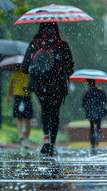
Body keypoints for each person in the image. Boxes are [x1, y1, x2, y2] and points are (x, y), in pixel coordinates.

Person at [22, 22, 74, 156]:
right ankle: (52, 143)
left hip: (40, 85)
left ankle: (46, 137)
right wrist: (59, 69)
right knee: (54, 112)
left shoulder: (35, 44)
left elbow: (24, 67)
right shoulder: (62, 45)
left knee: (45, 110)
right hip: (57, 85)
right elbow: (70, 68)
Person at [7, 64, 32, 148]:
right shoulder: (28, 73)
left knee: (19, 117)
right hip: (26, 96)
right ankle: (26, 137)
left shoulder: (15, 74)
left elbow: (11, 86)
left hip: (18, 96)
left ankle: (21, 134)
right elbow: (32, 85)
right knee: (27, 117)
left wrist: (9, 95)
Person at [82, 79, 107, 149]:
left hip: (91, 112)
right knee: (98, 125)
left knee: (92, 126)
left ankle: (92, 142)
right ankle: (97, 136)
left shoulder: (88, 93)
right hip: (99, 112)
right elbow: (106, 102)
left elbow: (83, 104)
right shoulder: (100, 92)